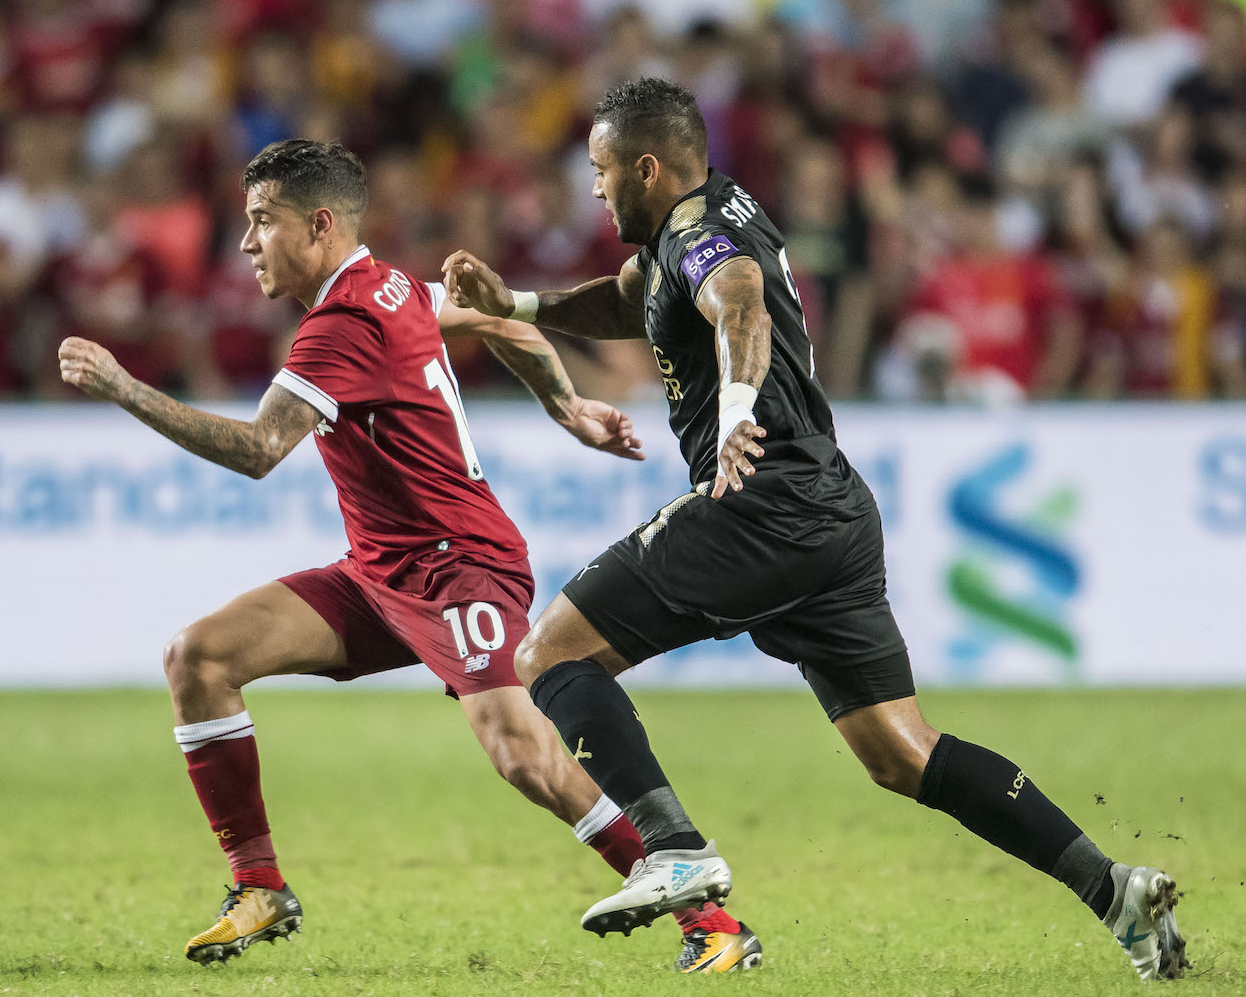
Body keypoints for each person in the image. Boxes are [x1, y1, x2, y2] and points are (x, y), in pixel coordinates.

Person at [441, 78, 1188, 981]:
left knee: (548, 657)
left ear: (645, 166)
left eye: (600, 170)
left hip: (766, 496)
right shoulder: (697, 216)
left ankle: (674, 848)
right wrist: (517, 305)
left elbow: (739, 300)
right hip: (833, 510)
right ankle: (1114, 891)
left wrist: (735, 412)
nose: (593, 188)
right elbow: (631, 300)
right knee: (901, 753)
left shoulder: (696, 234)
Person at [59, 139, 762, 974]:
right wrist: (564, 402)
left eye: (261, 222)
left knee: (517, 747)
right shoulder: (387, 284)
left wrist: (123, 387)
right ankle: (258, 886)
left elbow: (256, 450)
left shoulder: (343, 321)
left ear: (318, 225)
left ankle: (711, 923)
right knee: (199, 657)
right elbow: (489, 317)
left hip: (458, 563)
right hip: (381, 573)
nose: (246, 242)